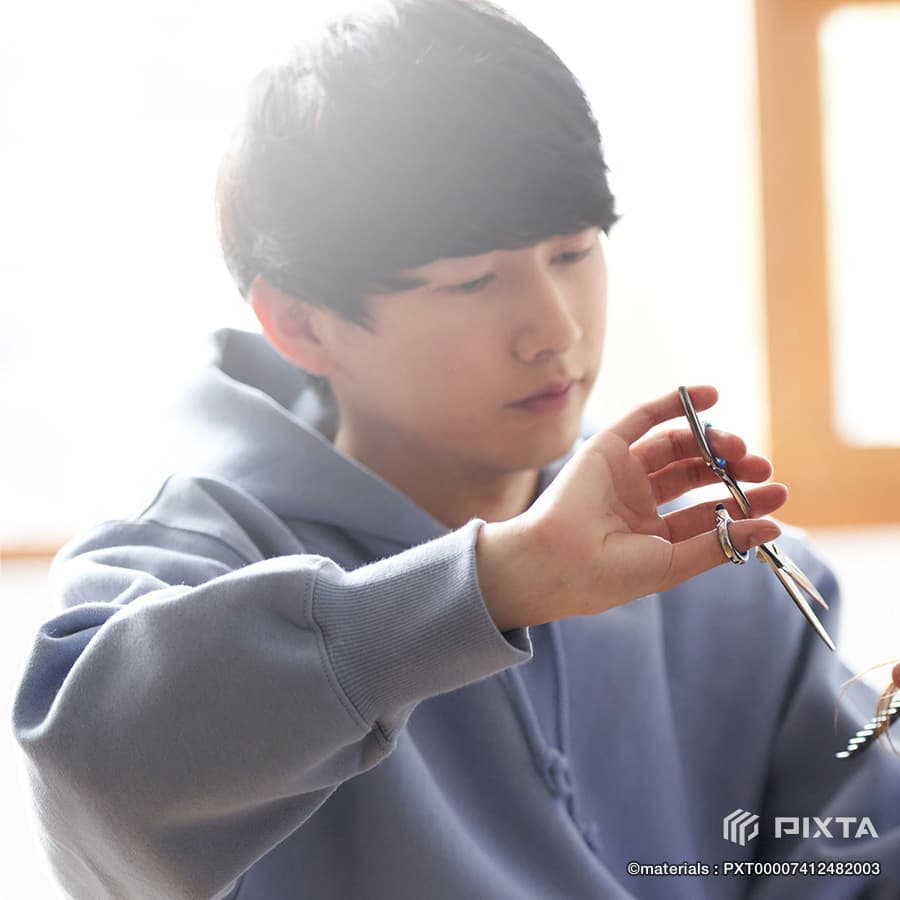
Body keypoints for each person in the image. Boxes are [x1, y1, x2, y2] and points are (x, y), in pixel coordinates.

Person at [12, 1, 900, 898]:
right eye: (475, 281)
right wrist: (490, 588)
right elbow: (94, 779)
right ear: (301, 323)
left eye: (574, 252)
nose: (556, 332)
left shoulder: (720, 571)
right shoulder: (186, 566)